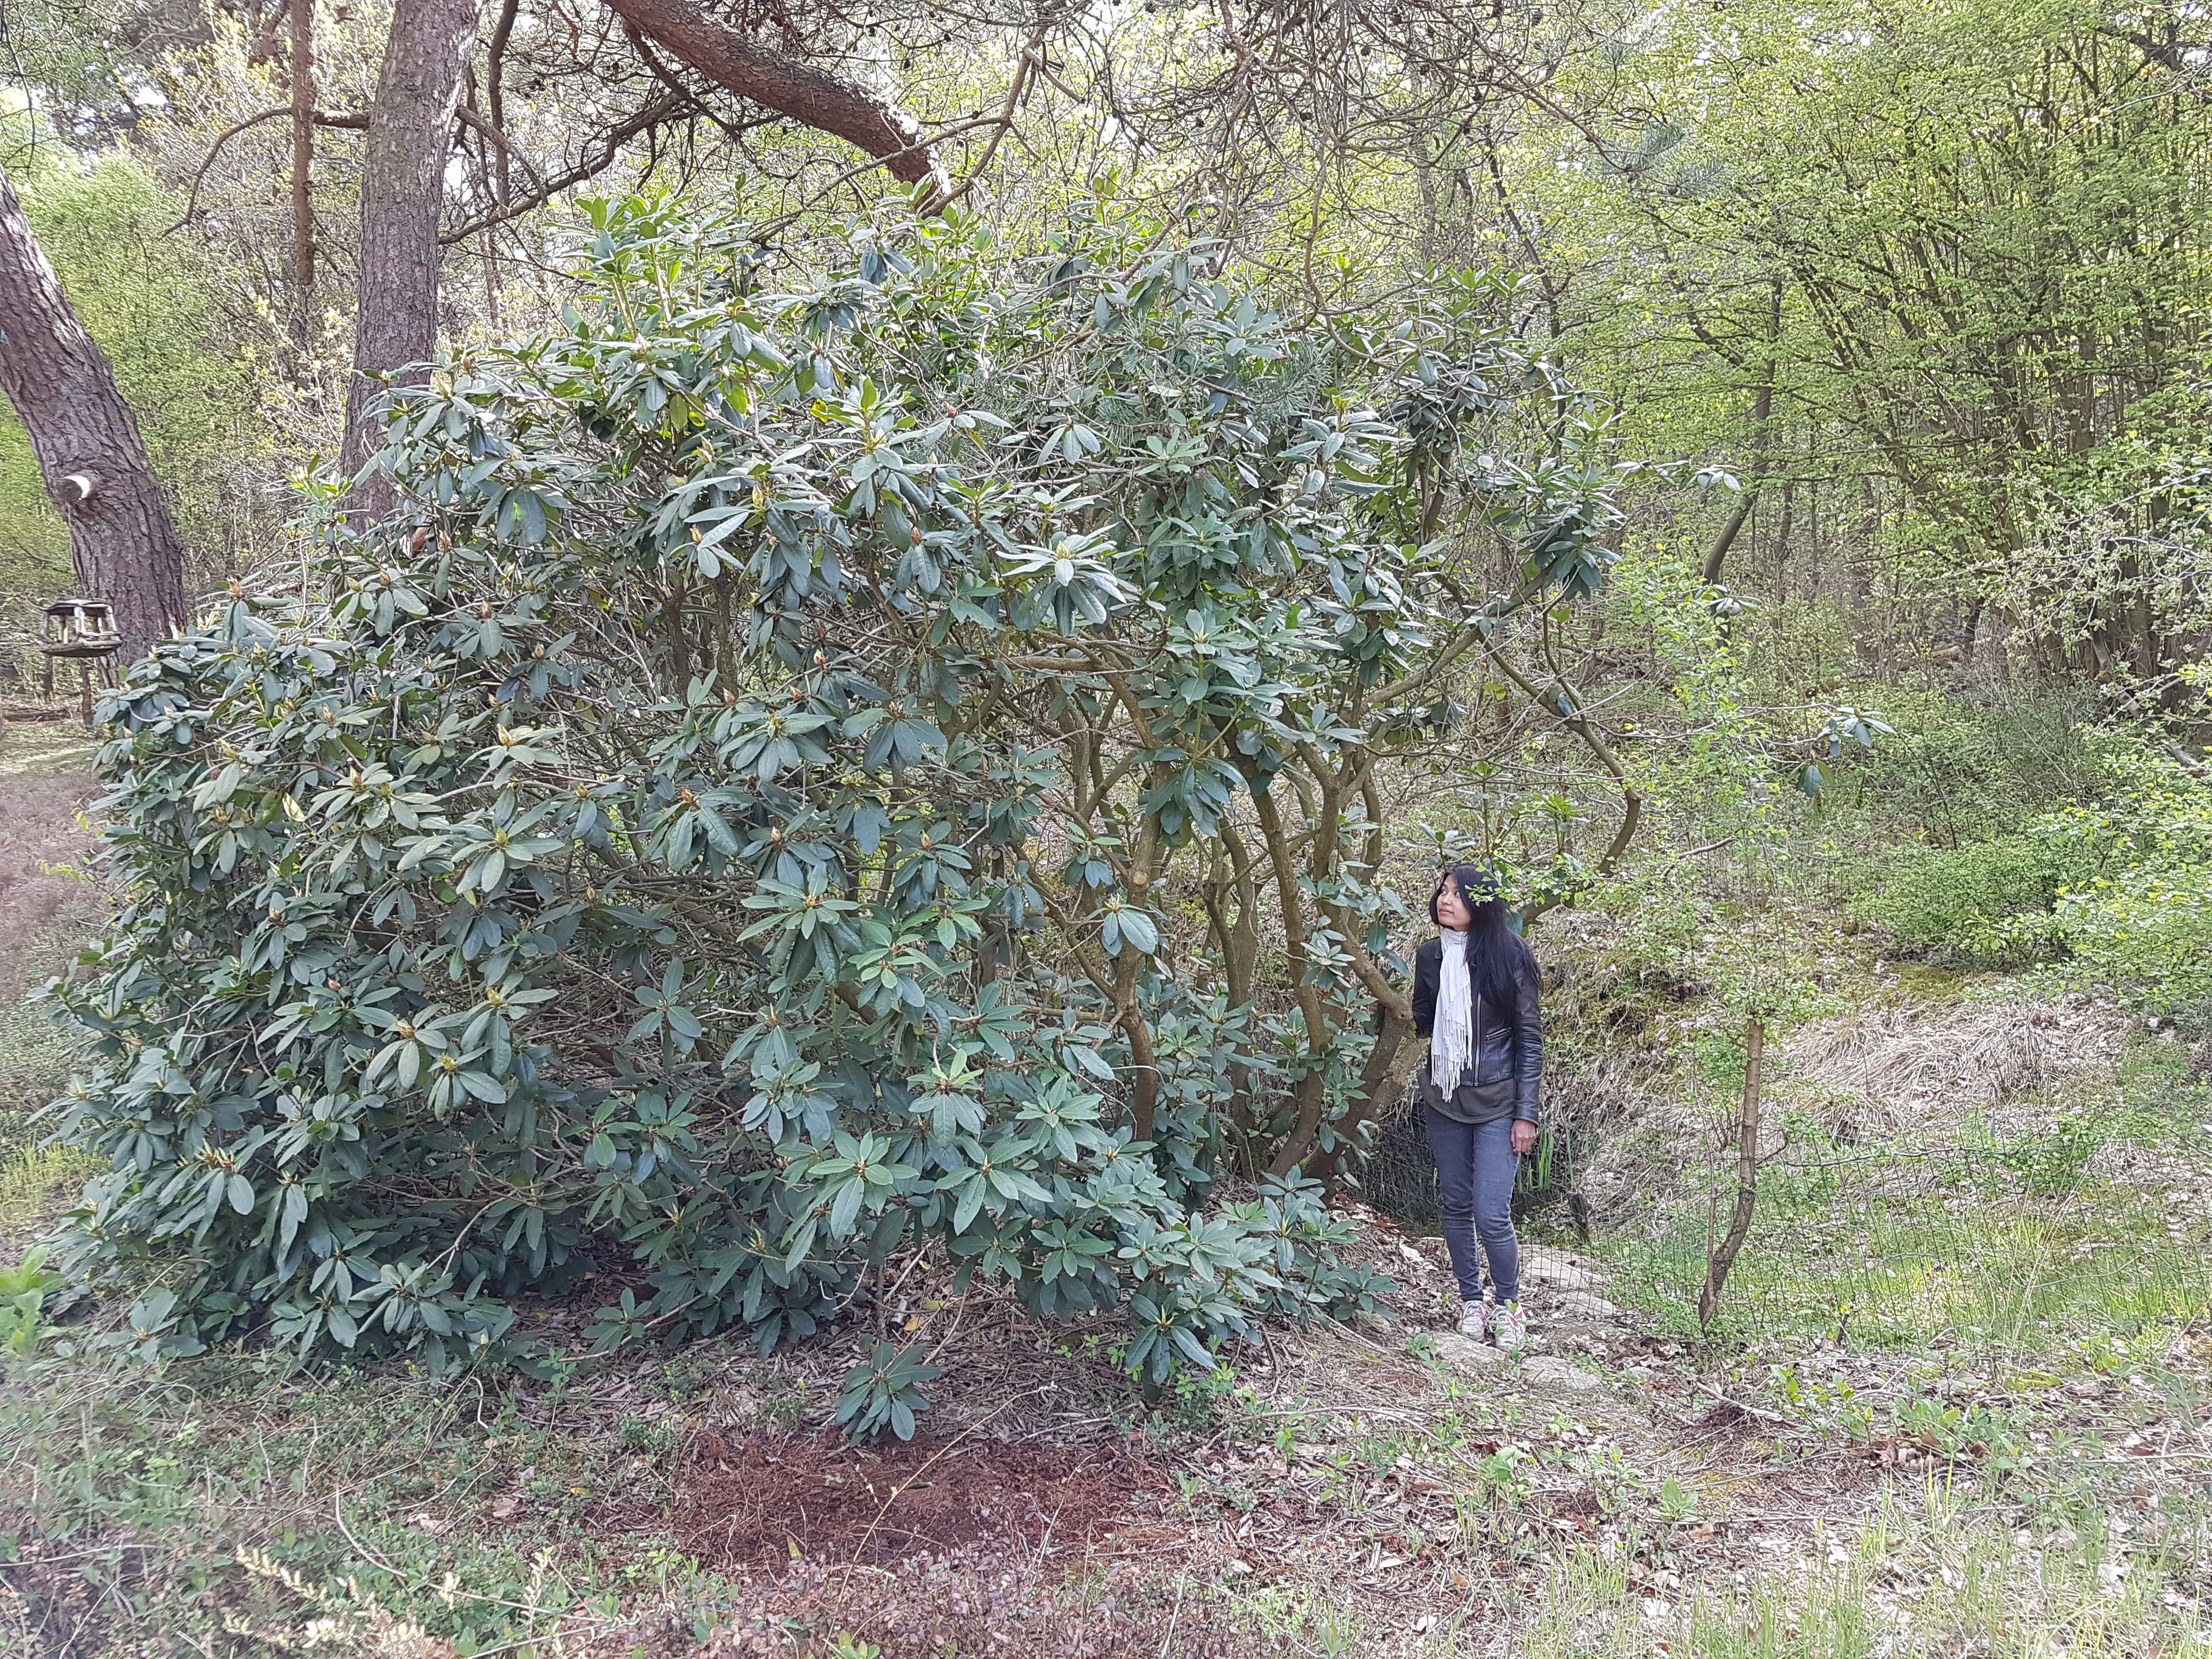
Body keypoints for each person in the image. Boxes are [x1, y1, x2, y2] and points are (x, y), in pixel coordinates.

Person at [1409, 864, 1542, 1351]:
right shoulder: (1429, 956)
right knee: (1456, 1205)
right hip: (1445, 1098)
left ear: (1481, 906)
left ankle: (1508, 1306)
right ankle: (1471, 1300)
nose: (1446, 901)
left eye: (1458, 895)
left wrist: (1526, 1112)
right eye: (1443, 891)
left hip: (1499, 1101)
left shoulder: (1510, 956)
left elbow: (1529, 1040)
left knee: (1491, 1212)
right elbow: (1423, 1022)